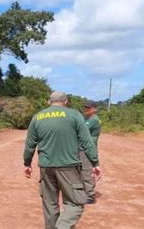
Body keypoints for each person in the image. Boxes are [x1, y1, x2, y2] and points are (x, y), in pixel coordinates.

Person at [23, 91, 102, 229]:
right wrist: (95, 163)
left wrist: (27, 163)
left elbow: (30, 144)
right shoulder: (74, 115)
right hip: (69, 166)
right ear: (66, 102)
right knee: (75, 203)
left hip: (46, 167)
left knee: (50, 204)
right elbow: (87, 141)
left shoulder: (37, 117)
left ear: (49, 102)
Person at [80, 100, 102, 204]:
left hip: (88, 148)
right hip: (83, 147)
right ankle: (85, 193)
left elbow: (81, 129)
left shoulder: (93, 119)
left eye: (89, 108)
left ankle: (90, 195)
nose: (86, 109)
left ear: (94, 109)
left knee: (87, 171)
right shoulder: (87, 118)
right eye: (86, 107)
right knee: (81, 171)